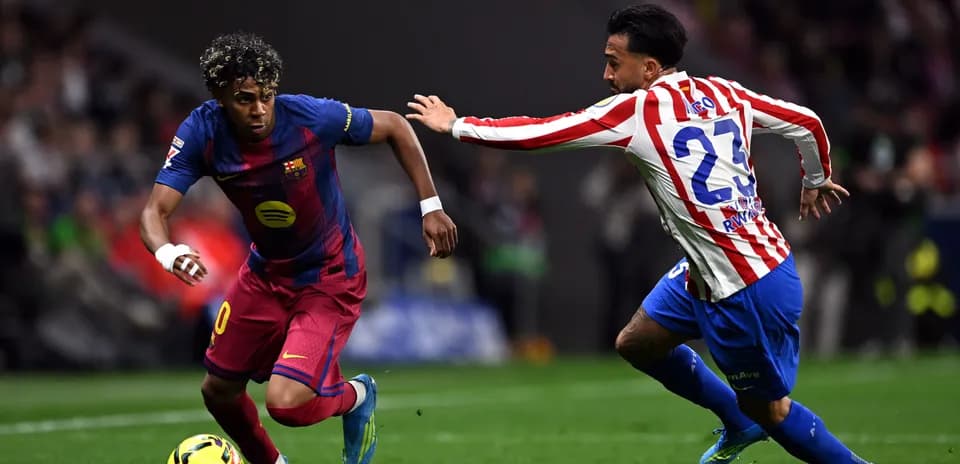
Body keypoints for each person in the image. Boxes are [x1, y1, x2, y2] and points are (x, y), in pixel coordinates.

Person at [405, 4, 871, 463]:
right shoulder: (726, 91)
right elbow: (806, 122)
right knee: (637, 342)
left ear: (649, 68)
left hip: (745, 289)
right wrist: (815, 178)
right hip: (716, 268)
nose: (606, 75)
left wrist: (457, 126)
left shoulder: (638, 110)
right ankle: (738, 420)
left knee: (770, 409)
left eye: (614, 63)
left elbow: (543, 132)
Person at [140, 32, 457, 464]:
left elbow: (396, 126)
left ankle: (357, 395)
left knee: (285, 405)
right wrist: (169, 252)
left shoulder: (309, 117)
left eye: (266, 96)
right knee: (218, 392)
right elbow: (154, 212)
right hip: (266, 275)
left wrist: (431, 207)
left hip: (329, 277)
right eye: (245, 99)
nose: (259, 110)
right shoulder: (202, 131)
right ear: (219, 97)